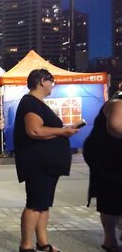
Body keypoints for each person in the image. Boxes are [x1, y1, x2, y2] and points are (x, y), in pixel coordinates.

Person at [14, 69, 79, 252]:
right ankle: (26, 245)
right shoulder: (30, 103)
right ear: (42, 81)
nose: (52, 85)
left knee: (43, 204)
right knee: (35, 204)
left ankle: (42, 242)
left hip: (47, 164)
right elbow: (34, 131)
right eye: (52, 81)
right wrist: (62, 131)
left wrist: (63, 131)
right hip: (38, 163)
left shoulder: (36, 103)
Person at [83, 89, 122, 252]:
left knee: (112, 199)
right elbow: (115, 127)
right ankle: (110, 239)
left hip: (111, 159)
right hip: (109, 161)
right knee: (110, 199)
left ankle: (112, 238)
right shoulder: (118, 103)